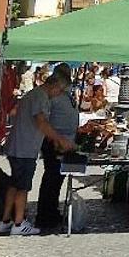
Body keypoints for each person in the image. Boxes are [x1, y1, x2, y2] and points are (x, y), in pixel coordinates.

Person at [0, 69, 75, 235]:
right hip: (24, 148)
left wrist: (55, 139)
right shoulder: (40, 97)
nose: (59, 94)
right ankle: (19, 223)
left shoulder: (37, 95)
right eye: (60, 91)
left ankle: (5, 220)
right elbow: (41, 123)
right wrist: (60, 139)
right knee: (23, 187)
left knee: (14, 184)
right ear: (54, 85)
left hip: (20, 146)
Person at [35, 65, 81, 231]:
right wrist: (55, 139)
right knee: (51, 179)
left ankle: (52, 211)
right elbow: (44, 120)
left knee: (57, 179)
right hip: (55, 142)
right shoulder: (52, 97)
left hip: (66, 140)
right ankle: (45, 215)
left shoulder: (66, 94)